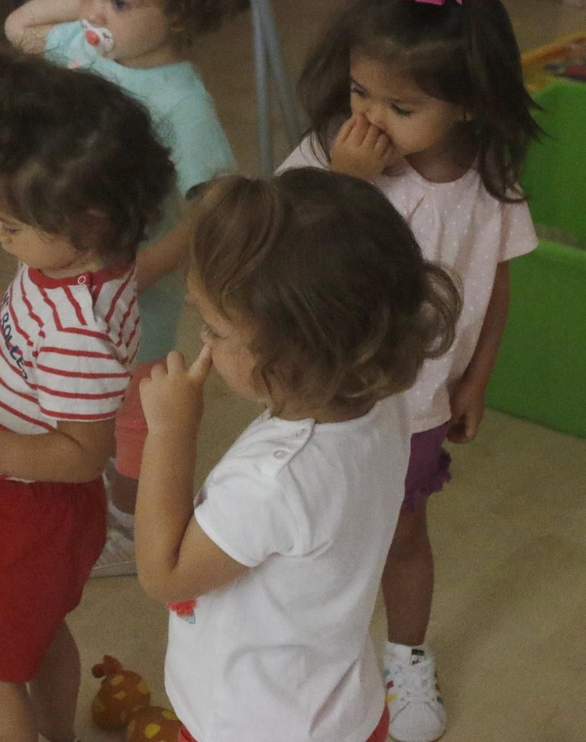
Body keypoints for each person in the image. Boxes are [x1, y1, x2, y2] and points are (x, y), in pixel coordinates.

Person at [283, 0, 542, 742]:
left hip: (420, 402)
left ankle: (404, 657)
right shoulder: (338, 158)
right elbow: (292, 246)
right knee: (315, 530)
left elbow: (493, 283)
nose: (370, 117)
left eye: (402, 106)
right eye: (361, 93)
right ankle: (309, 654)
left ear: (466, 103)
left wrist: (479, 378)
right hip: (326, 391)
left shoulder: (490, 183)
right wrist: (350, 182)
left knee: (402, 533)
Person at [0, 48, 175, 742]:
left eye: (11, 226)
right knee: (35, 640)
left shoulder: (81, 328)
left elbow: (83, 454)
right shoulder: (78, 272)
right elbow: (22, 323)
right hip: (26, 505)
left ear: (91, 218)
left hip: (22, 508)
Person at [136, 169, 461, 742]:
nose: (203, 342)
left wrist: (168, 432)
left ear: (291, 352)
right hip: (341, 708)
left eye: (213, 327)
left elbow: (164, 574)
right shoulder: (383, 409)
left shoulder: (270, 482)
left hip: (254, 726)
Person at [5, 0, 239, 578]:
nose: (97, 15)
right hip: (64, 272)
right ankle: (83, 490)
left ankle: (132, 523)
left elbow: (216, 205)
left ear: (183, 6)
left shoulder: (180, 102)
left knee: (134, 426)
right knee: (71, 393)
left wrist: (152, 266)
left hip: (137, 303)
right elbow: (19, 28)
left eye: (121, 2)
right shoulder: (82, 42)